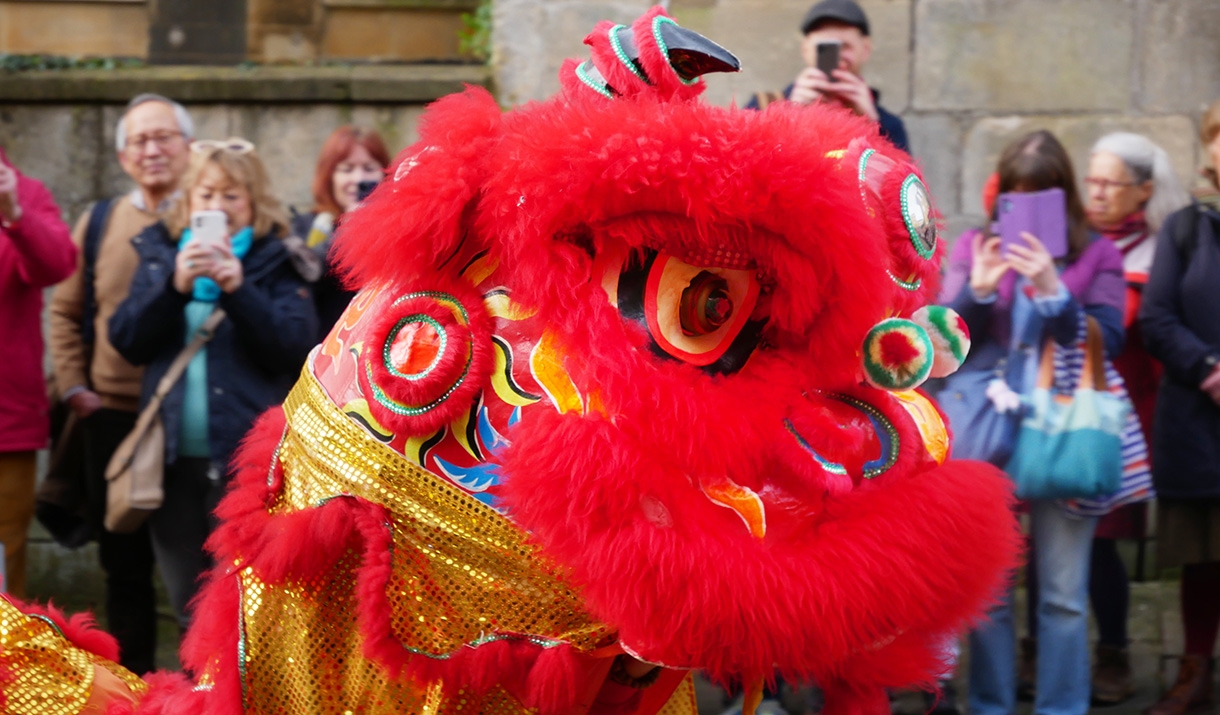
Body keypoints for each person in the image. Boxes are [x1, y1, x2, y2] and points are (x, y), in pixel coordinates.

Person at [940, 130, 1126, 715]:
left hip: (1062, 432)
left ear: (1063, 197)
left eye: (1041, 196)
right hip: (986, 437)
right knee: (990, 592)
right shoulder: (976, 246)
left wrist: (1051, 290)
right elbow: (944, 345)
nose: (1026, 209)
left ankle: (1062, 707)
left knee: (1065, 596)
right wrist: (975, 291)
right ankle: (991, 705)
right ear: (1002, 199)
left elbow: (1108, 339)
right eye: (1016, 196)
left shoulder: (1096, 253)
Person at [109, 138, 317, 632]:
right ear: (188, 201)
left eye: (231, 197)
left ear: (253, 202)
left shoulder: (276, 259)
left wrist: (237, 288)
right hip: (172, 460)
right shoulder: (161, 252)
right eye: (206, 195)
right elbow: (127, 340)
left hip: (249, 462)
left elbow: (294, 346)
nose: (216, 208)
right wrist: (174, 289)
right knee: (189, 604)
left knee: (247, 606)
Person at [47, 93, 195, 674]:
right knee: (123, 565)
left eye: (164, 138)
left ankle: (201, 690)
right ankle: (131, 685)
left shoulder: (212, 214)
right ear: (122, 155)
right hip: (112, 416)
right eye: (140, 140)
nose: (152, 150)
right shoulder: (101, 221)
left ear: (188, 147)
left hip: (190, 420)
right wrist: (74, 387)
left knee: (198, 566)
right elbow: (63, 312)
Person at [1083, 132, 1189, 704]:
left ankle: (1115, 650)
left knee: (1105, 539)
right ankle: (1037, 647)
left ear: (1144, 191)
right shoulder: (1074, 244)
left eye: (1109, 183)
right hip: (1064, 406)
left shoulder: (1160, 252)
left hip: (1131, 414)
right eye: (1091, 181)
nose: (1095, 194)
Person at [1139, 97, 1220, 715]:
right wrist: (1209, 369)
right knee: (1202, 557)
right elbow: (1158, 317)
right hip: (1199, 418)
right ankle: (1196, 673)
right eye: (1216, 135)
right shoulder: (1187, 229)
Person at [0, 148, 77, 599]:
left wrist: (14, 214)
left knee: (5, 558)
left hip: (6, 424)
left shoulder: (23, 190)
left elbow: (57, 264)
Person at [747, 0, 908, 153]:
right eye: (825, 48)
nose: (837, 58)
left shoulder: (890, 125)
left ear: (865, 49)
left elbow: (902, 179)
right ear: (805, 50)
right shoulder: (762, 107)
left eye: (844, 47)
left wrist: (874, 126)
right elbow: (740, 173)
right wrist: (789, 114)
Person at [290, 125, 389, 339]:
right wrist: (349, 233)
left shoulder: (396, 230)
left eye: (369, 168)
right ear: (330, 176)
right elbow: (309, 283)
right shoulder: (308, 228)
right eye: (347, 169)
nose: (358, 179)